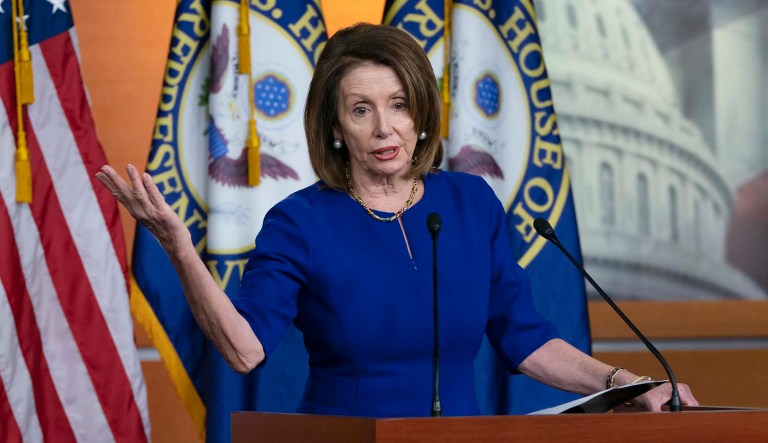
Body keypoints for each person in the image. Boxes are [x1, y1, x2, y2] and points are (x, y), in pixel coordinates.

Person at [96, 23, 697, 417]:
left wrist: (627, 384)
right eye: (361, 110)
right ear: (335, 128)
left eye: (400, 105)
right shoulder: (300, 222)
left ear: (422, 113)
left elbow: (527, 339)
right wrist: (178, 246)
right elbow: (245, 351)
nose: (384, 129)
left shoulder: (469, 205)